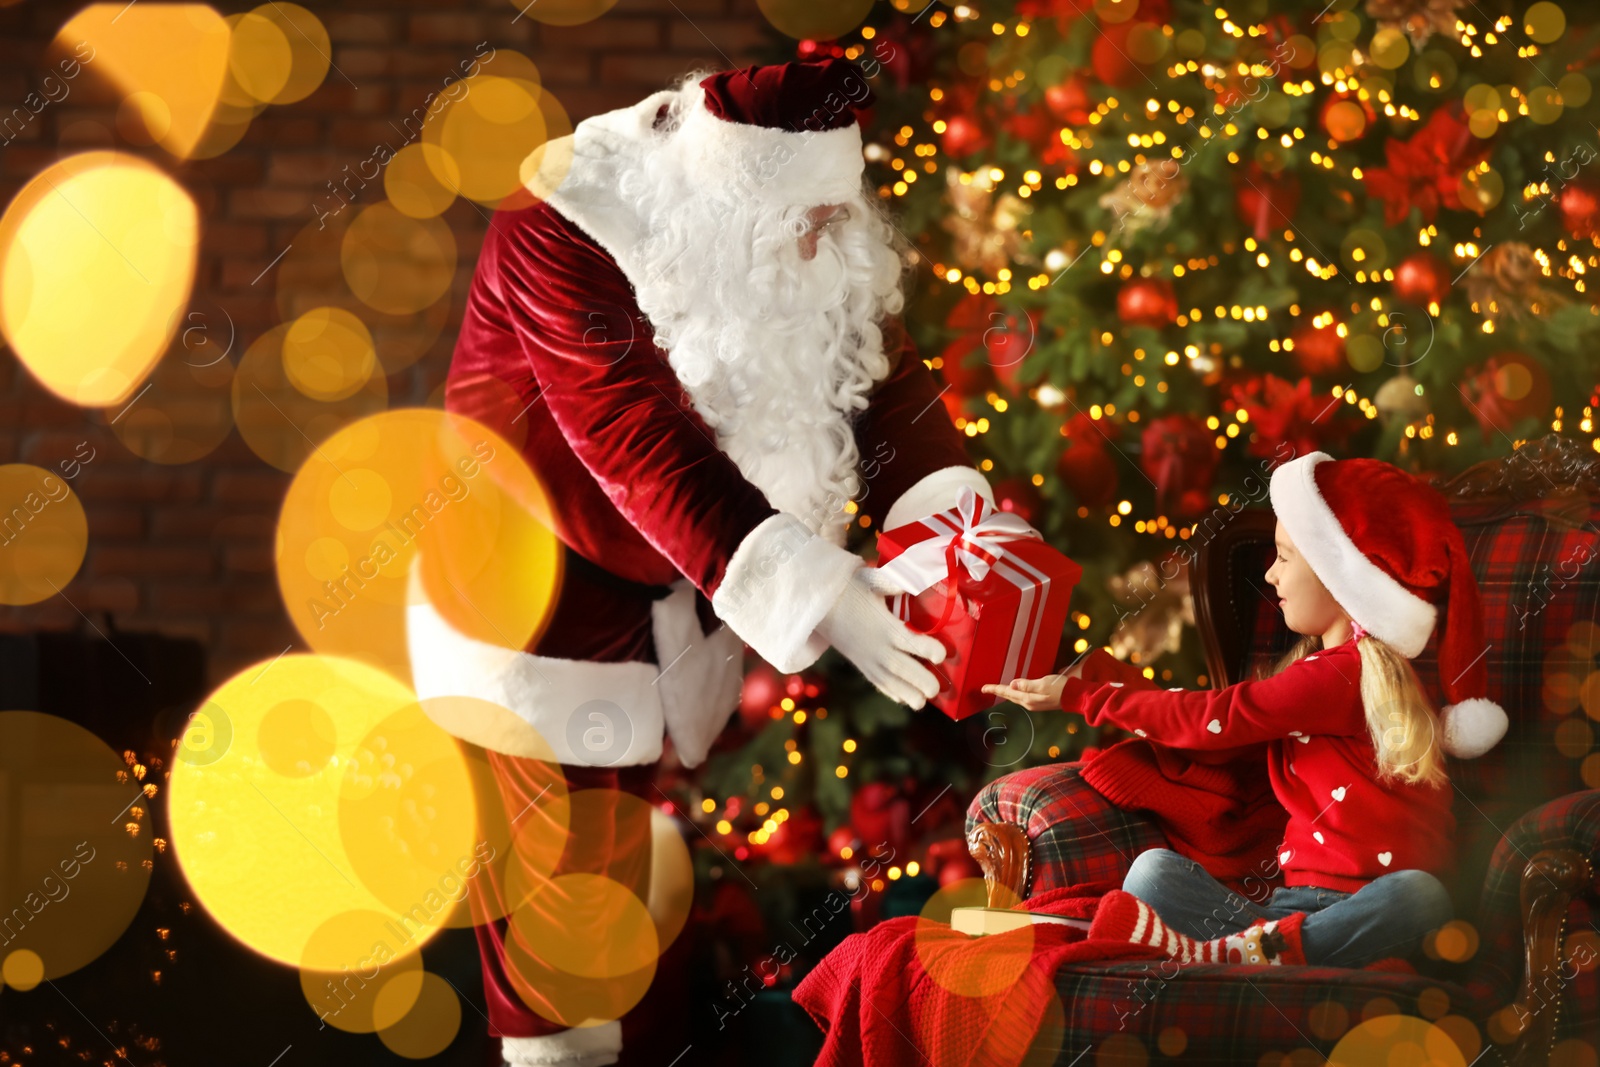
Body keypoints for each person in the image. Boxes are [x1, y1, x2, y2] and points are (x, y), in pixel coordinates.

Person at [407, 59, 1000, 1066]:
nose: (823, 239)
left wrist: (967, 528)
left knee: (636, 899)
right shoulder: (558, 224)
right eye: (800, 222)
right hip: (536, 598)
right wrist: (824, 592)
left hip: (673, 594)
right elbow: (633, 436)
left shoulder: (803, 237)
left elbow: (885, 383)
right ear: (726, 202)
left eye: (833, 213)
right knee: (567, 910)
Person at [982, 452, 1509, 967]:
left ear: (1336, 573)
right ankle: (1259, 952)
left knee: (1421, 897)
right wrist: (1103, 680)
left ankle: (1254, 954)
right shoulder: (1313, 666)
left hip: (1368, 908)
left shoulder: (1344, 674)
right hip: (1286, 910)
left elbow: (1217, 719)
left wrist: (1084, 697)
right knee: (1152, 873)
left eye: (1285, 556)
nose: (1272, 575)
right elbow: (1220, 721)